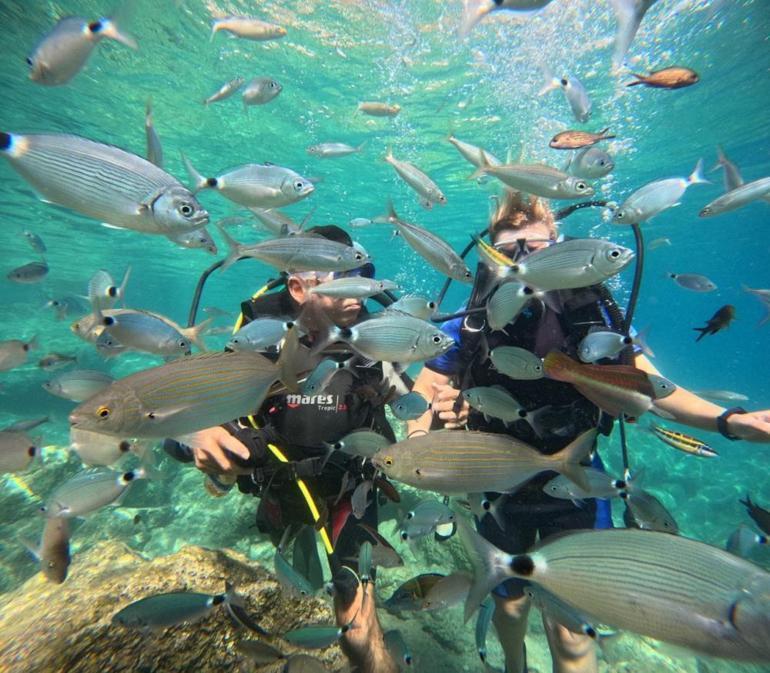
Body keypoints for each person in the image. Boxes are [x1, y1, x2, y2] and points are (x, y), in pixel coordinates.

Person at [407, 190, 770, 673]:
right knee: (508, 604)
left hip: (577, 480)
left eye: (539, 250)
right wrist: (420, 438)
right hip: (495, 479)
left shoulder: (593, 321)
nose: (525, 263)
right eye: (510, 252)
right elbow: (427, 383)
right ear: (489, 260)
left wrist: (728, 421)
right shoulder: (472, 325)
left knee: (572, 630)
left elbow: (653, 389)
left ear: (563, 252)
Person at [168, 225, 399, 673]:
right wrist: (196, 437)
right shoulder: (258, 341)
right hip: (279, 485)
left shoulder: (377, 338)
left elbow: (421, 392)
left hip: (348, 488)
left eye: (362, 274)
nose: (358, 293)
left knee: (357, 620)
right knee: (294, 579)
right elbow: (172, 421)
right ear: (296, 287)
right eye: (339, 279)